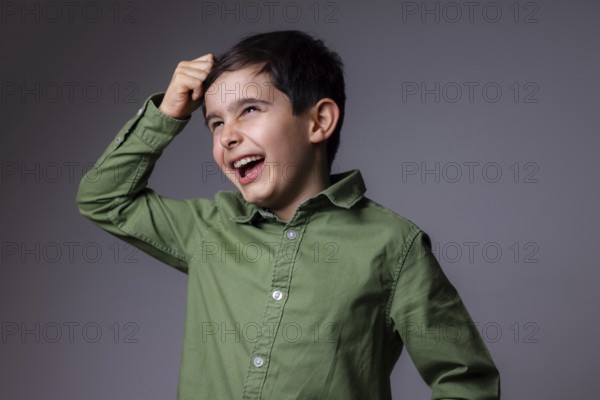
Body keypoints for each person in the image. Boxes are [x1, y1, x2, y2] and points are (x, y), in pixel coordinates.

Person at [76, 30, 500, 399]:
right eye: (215, 123)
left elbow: (465, 379)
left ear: (319, 121)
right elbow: (103, 198)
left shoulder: (392, 244)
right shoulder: (208, 229)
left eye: (249, 110)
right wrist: (166, 115)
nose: (228, 136)